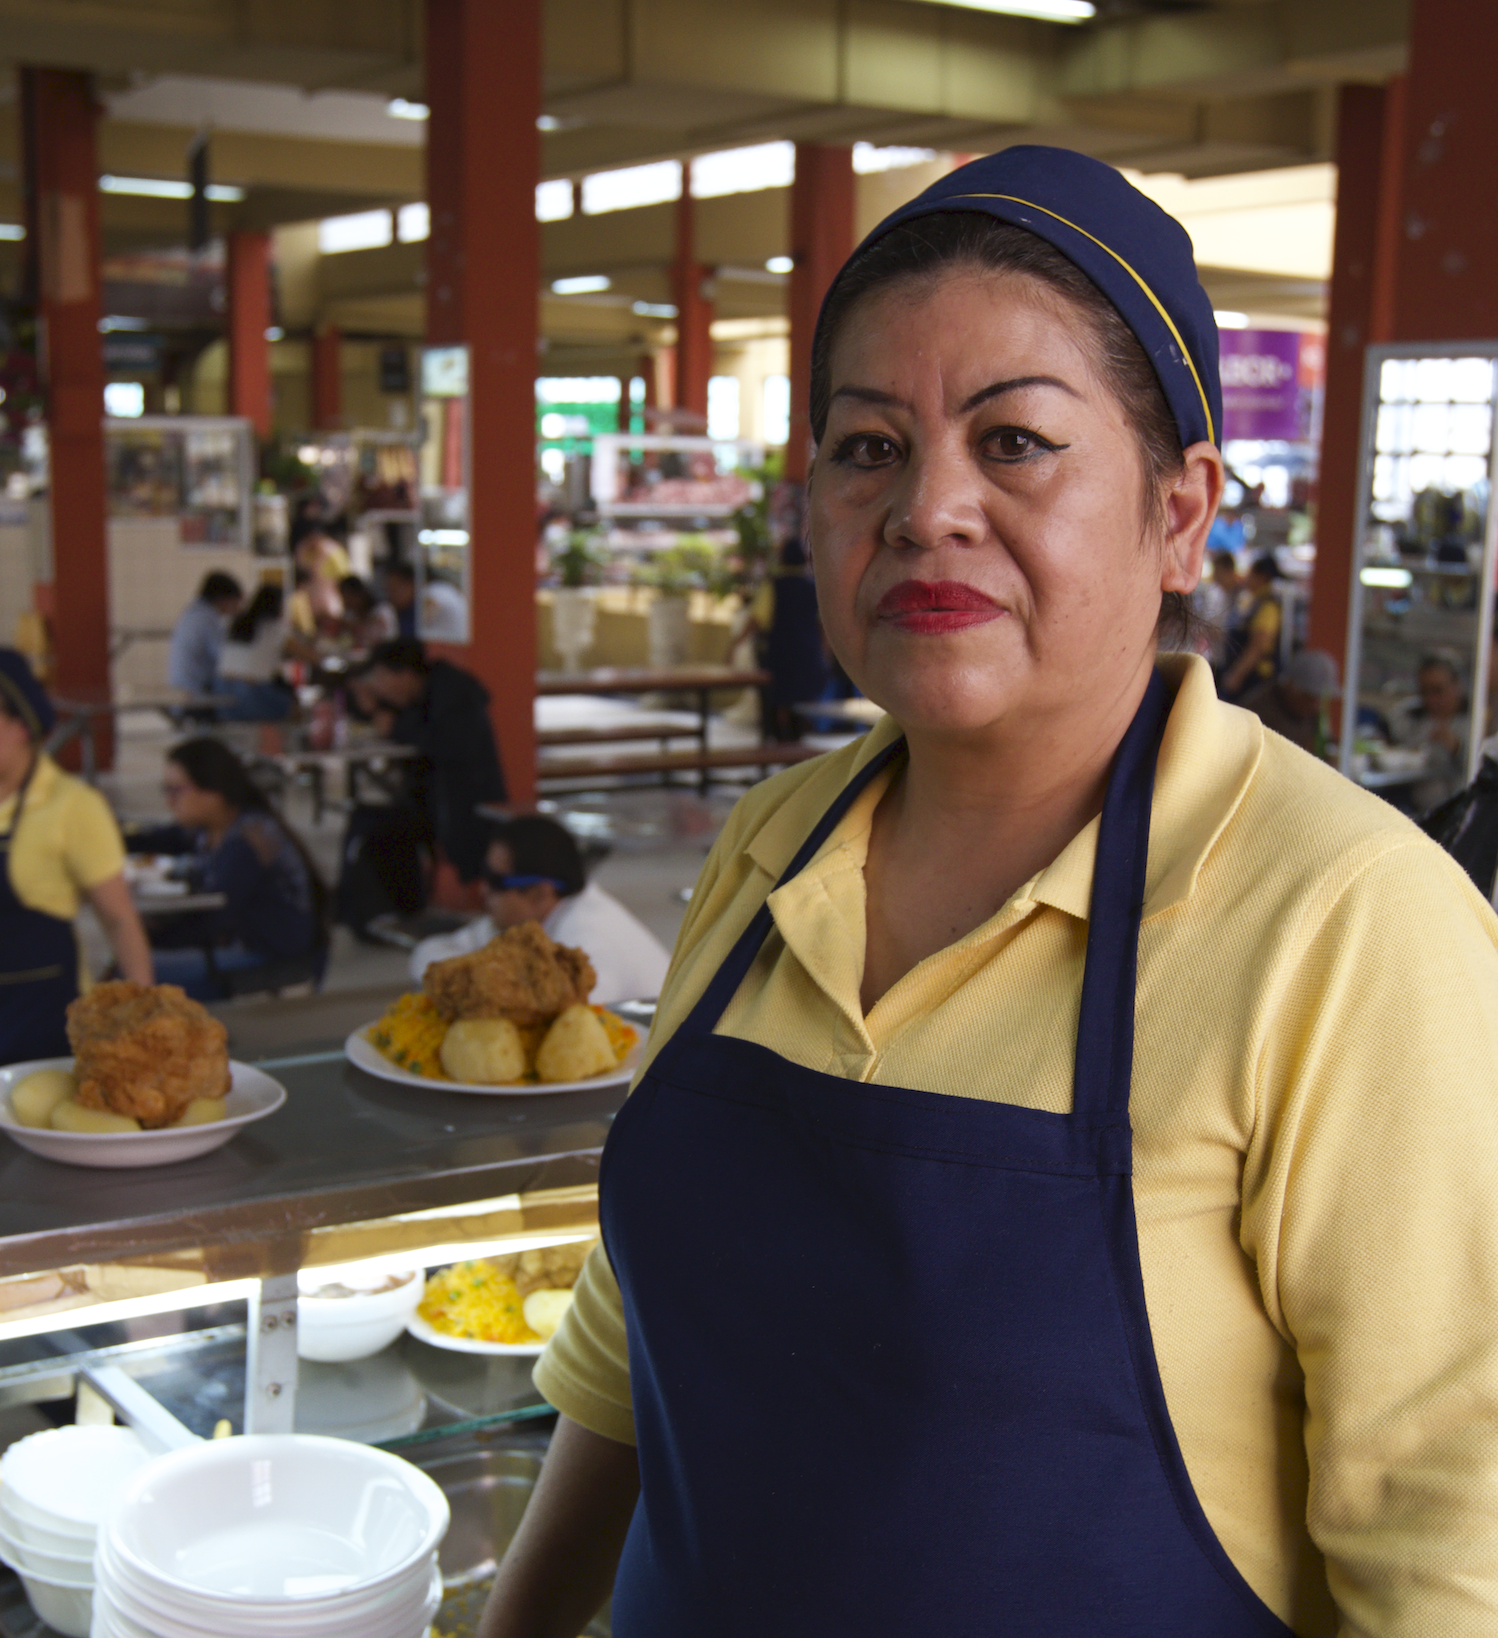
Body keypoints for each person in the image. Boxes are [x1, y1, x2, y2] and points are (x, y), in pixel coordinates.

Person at [478, 148, 1498, 1638]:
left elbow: (1446, 1561)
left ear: (1176, 510)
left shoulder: (1348, 928)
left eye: (1012, 440)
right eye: (867, 447)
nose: (924, 509)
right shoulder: (772, 843)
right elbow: (631, 1342)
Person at [0, 650, 152, 1062]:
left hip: (40, 1026)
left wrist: (145, 1018)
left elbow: (119, 918)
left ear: (21, 726)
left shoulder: (72, 807)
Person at [409, 816, 671, 1002]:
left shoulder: (589, 940)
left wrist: (480, 984)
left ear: (541, 894)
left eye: (496, 880)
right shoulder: (521, 921)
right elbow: (429, 953)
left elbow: (569, 1023)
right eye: (484, 872)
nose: (484, 888)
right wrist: (473, 980)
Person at [143, 738, 325, 1001]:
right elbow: (161, 838)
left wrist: (145, 937)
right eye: (166, 789)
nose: (169, 801)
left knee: (134, 978)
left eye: (176, 790)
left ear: (213, 791)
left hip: (271, 958)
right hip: (242, 945)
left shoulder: (246, 841)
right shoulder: (217, 826)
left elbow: (213, 921)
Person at [364, 639, 506, 883]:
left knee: (383, 833)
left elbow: (447, 746)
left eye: (382, 678)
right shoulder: (421, 695)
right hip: (436, 800)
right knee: (370, 823)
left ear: (406, 675)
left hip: (466, 805)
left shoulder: (453, 693)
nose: (379, 688)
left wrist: (396, 727)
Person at [743, 537, 829, 741]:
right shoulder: (813, 587)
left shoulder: (774, 586)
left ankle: (783, 741)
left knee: (780, 699)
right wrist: (825, 652)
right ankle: (798, 740)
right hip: (808, 652)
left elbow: (757, 619)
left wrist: (734, 644)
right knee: (802, 699)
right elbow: (822, 623)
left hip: (780, 652)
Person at [1391, 651, 1471, 813]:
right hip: (1413, 809)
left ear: (1457, 685)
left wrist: (1457, 748)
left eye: (1438, 690)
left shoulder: (1475, 720)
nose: (1431, 699)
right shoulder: (1409, 716)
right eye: (1424, 692)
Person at [215, 584, 299, 722]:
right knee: (293, 707)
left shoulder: (235, 624)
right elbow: (310, 655)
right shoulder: (274, 628)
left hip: (221, 691)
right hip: (251, 693)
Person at [1238, 647, 1338, 756]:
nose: (1316, 705)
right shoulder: (1256, 713)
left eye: (1320, 698)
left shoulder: (1314, 716)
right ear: (1291, 687)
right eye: (1310, 697)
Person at [167, 572, 242, 697]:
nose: (237, 608)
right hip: (196, 688)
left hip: (182, 684)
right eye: (236, 602)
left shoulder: (193, 613)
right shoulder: (207, 619)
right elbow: (224, 657)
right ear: (223, 599)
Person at [1219, 552, 1282, 700]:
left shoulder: (1268, 607)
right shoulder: (1255, 601)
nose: (1248, 577)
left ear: (1262, 576)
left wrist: (1236, 675)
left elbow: (1257, 647)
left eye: (1251, 572)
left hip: (1254, 679)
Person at [339, 575, 398, 650]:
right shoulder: (350, 615)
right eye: (344, 598)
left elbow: (382, 638)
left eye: (349, 597)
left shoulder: (383, 610)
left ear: (359, 594)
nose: (346, 601)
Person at [385, 562, 419, 640]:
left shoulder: (423, 613)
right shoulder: (398, 613)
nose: (391, 596)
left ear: (411, 585)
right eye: (388, 590)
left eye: (394, 590)